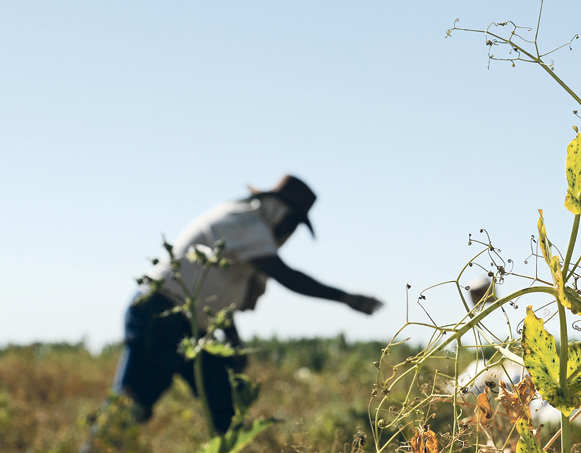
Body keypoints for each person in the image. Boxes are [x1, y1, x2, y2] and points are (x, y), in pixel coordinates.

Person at [111, 174, 383, 434]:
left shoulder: (251, 231)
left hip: (190, 326)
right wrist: (347, 298)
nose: (289, 231)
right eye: (291, 222)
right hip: (158, 314)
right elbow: (285, 275)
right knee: (130, 405)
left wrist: (233, 340)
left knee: (222, 398)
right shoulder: (244, 221)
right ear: (278, 210)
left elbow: (220, 300)